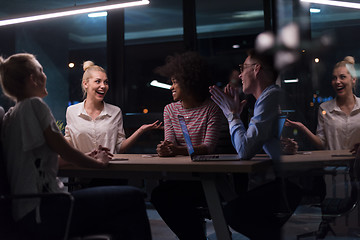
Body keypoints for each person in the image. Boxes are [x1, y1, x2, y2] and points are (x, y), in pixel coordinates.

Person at [0, 53, 152, 240]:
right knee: (132, 199)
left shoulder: (11, 115)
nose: (45, 76)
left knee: (119, 216)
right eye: (41, 71)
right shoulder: (34, 106)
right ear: (33, 79)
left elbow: (44, 162)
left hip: (26, 211)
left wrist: (89, 155)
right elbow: (67, 151)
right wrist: (99, 163)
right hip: (46, 209)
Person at [209, 49, 302, 240]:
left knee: (233, 213)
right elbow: (255, 144)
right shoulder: (266, 100)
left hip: (292, 185)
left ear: (257, 69)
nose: (241, 74)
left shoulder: (269, 97)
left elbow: (243, 150)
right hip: (291, 182)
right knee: (240, 212)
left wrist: (231, 115)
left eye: (243, 68)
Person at [150, 51, 222, 240]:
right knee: (159, 195)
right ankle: (194, 236)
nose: (171, 87)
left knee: (168, 197)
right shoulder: (170, 109)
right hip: (182, 176)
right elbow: (170, 142)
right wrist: (164, 149)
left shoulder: (211, 108)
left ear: (190, 82)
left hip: (209, 177)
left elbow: (208, 147)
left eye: (175, 82)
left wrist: (177, 150)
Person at [65, 60, 162, 155]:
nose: (103, 86)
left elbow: (119, 148)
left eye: (106, 82)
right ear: (85, 84)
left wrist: (140, 130)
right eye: (98, 81)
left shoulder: (115, 112)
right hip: (81, 169)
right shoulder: (72, 111)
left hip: (109, 169)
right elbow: (69, 144)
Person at [286, 56, 360, 151]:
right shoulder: (324, 108)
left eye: (342, 77)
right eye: (334, 78)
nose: (337, 82)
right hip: (333, 164)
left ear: (353, 79)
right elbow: (321, 143)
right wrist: (302, 127)